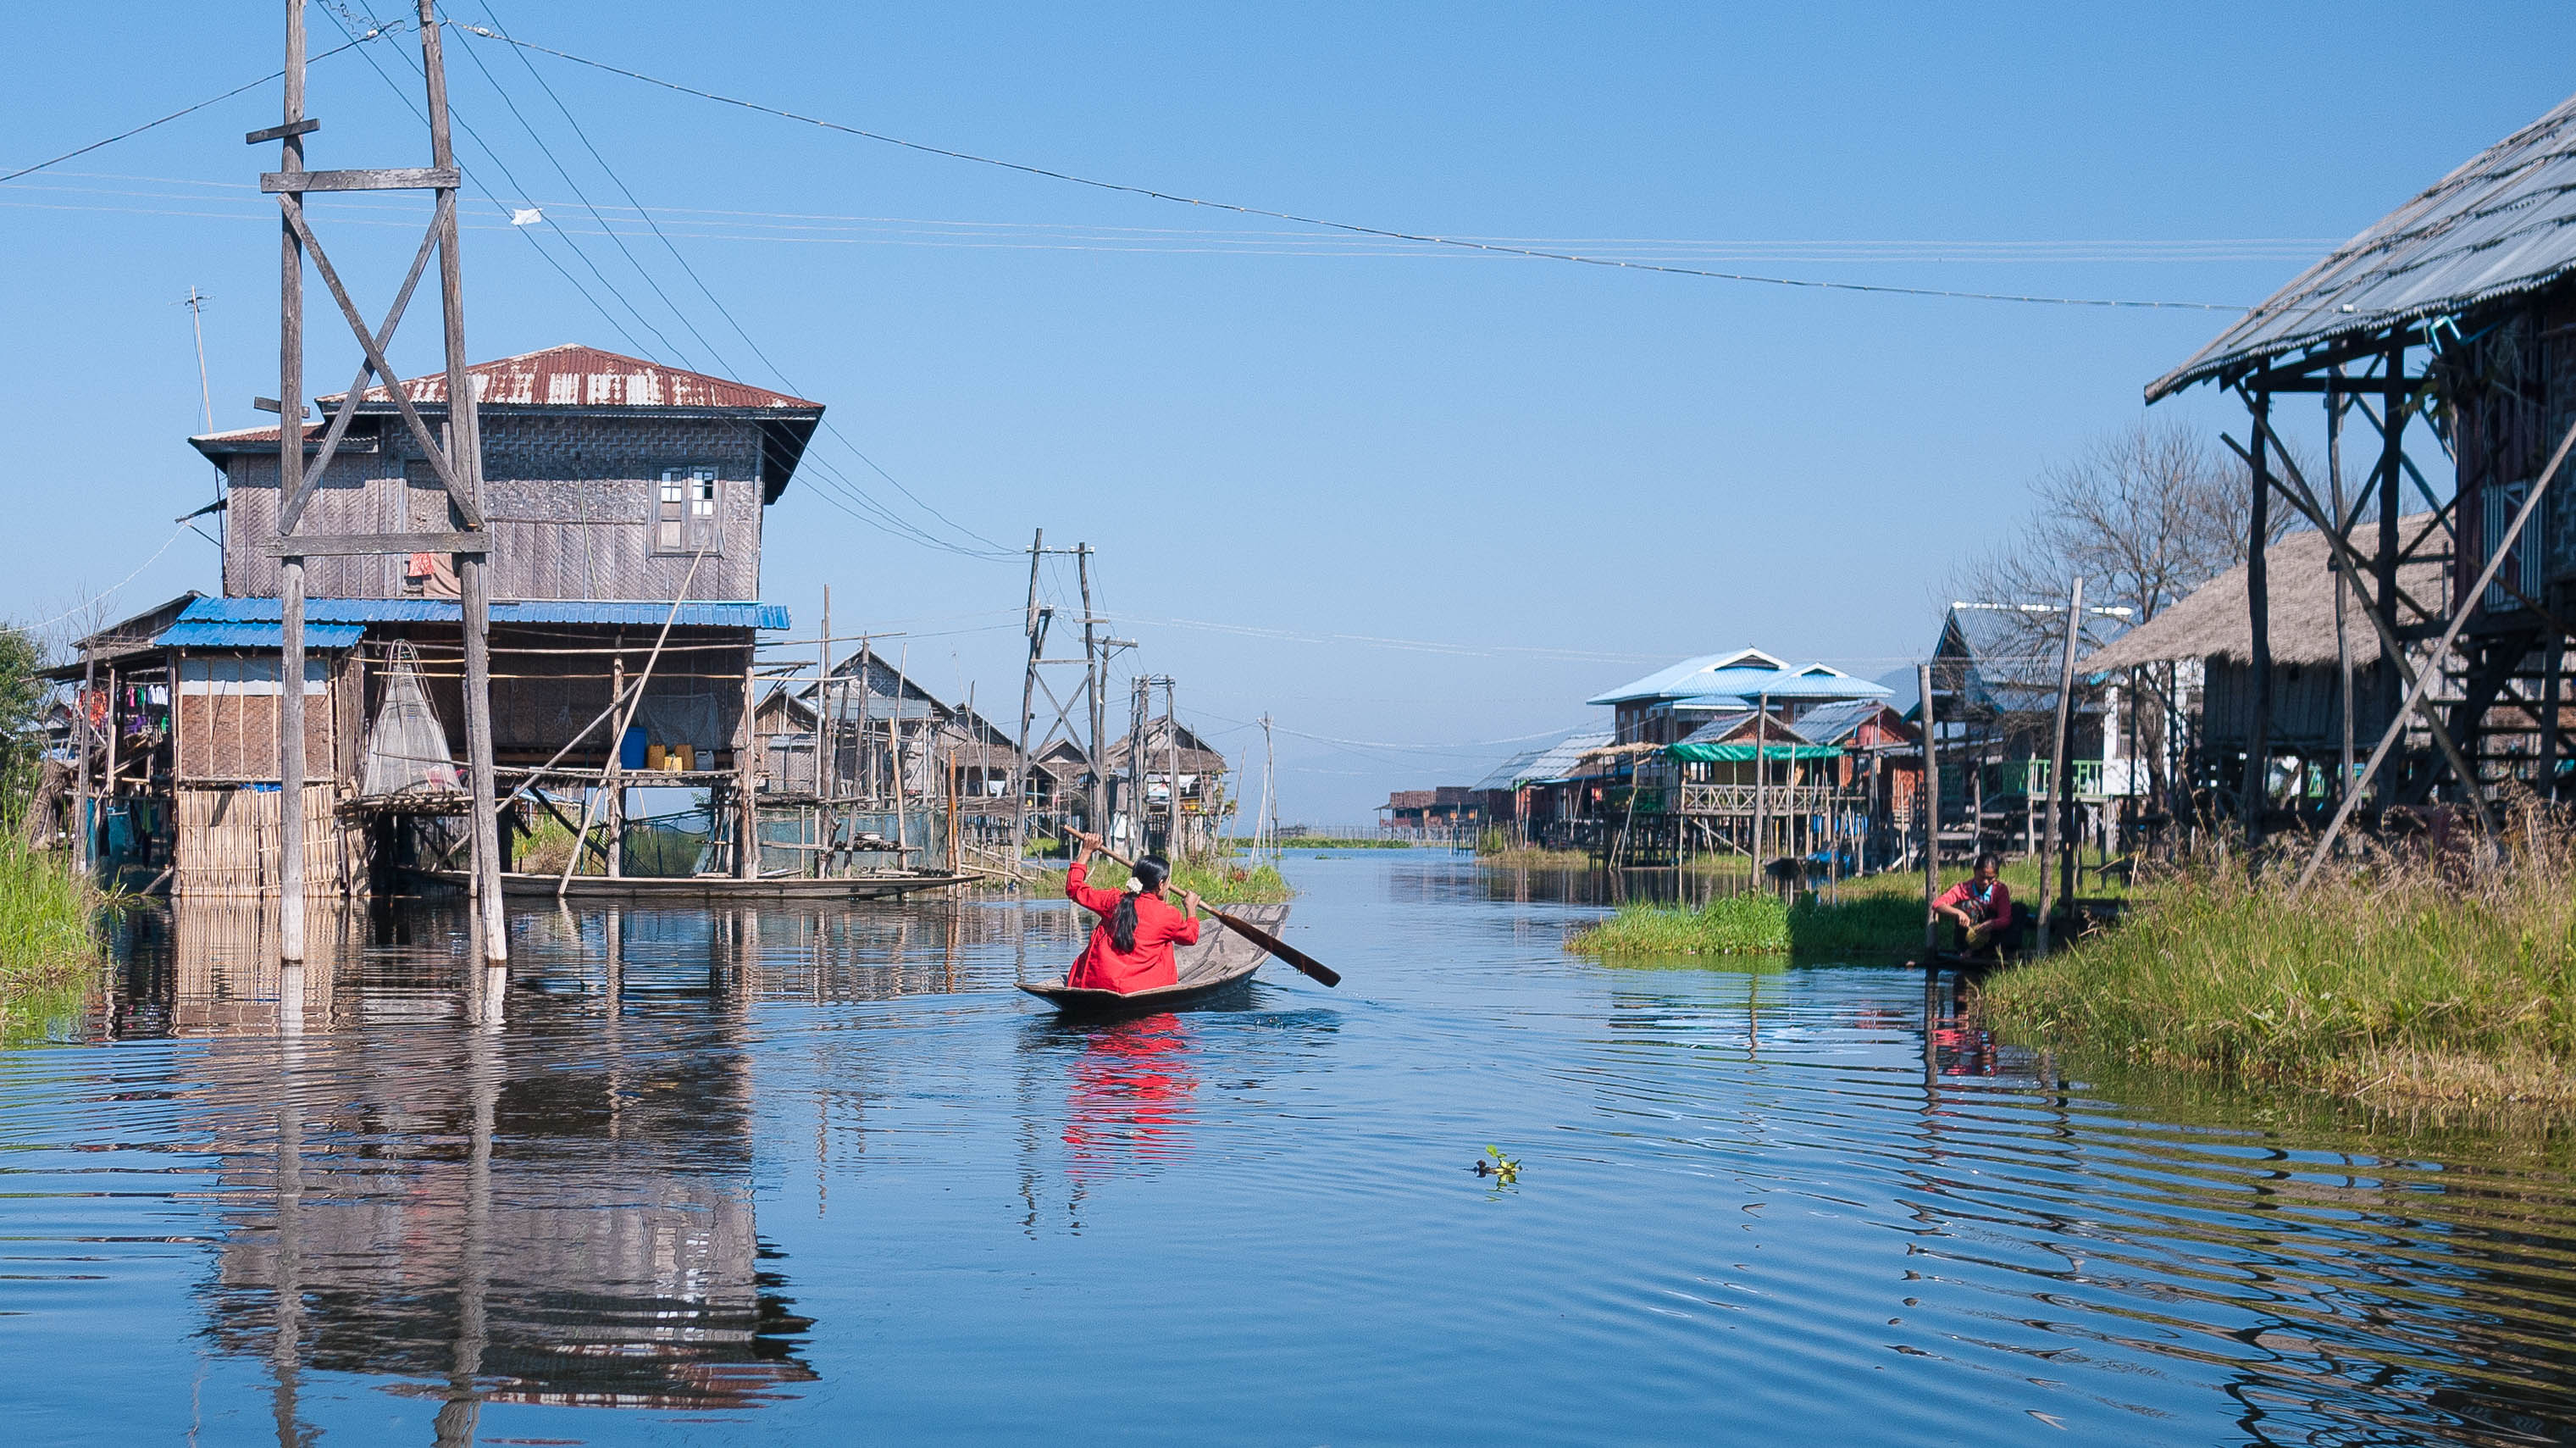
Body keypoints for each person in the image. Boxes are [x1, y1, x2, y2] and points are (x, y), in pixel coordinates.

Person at [1062, 830, 1205, 993]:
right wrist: (1191, 909)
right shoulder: (1168, 915)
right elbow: (1191, 937)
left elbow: (1074, 888)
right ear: (1161, 884)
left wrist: (1086, 852)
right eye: (1167, 882)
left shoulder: (1112, 900)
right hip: (1139, 988)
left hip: (1096, 983)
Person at [1931, 852, 2025, 957]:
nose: (1985, 882)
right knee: (1969, 905)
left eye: (1990, 878)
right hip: (1971, 935)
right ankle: (1968, 949)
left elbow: (2006, 918)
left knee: (2019, 908)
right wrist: (1958, 913)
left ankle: (2004, 949)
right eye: (1982, 877)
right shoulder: (1964, 888)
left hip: (1993, 934)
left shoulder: (2000, 889)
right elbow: (1937, 904)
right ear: (1974, 871)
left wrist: (1992, 923)